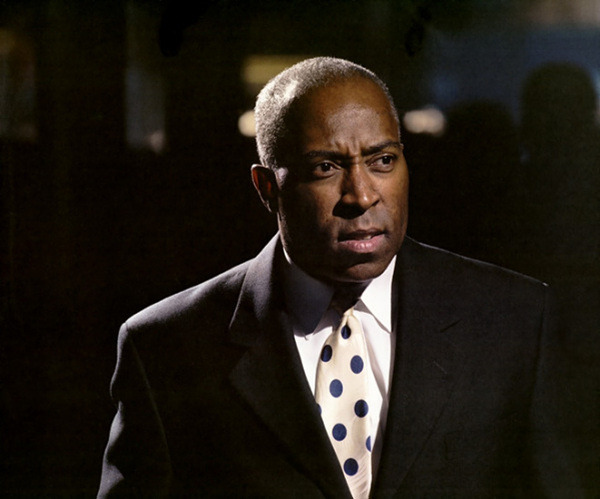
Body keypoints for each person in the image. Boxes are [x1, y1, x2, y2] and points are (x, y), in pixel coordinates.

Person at [98, 57, 581, 497]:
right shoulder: (168, 347)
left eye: (382, 160)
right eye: (325, 167)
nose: (362, 195)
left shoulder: (511, 321)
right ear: (267, 187)